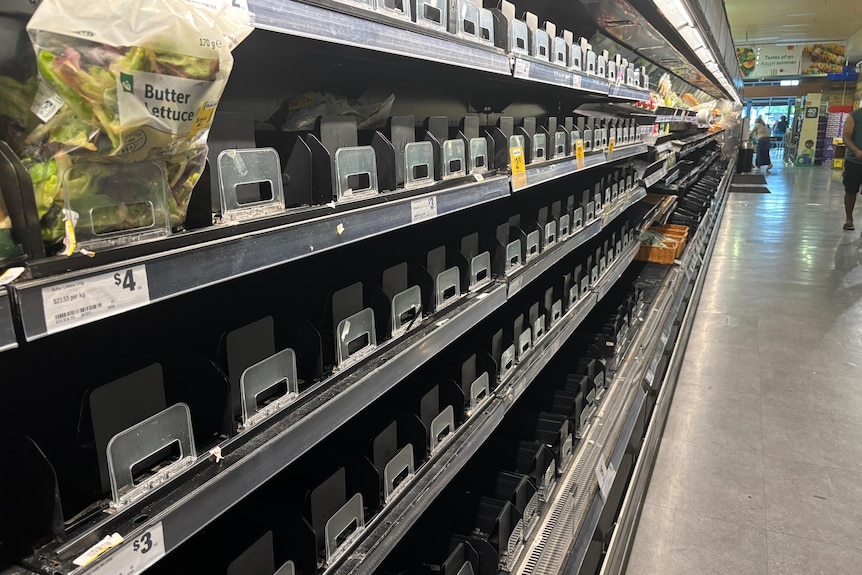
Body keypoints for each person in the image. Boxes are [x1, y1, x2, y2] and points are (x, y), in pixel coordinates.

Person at [842, 107, 862, 230]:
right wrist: (856, 151)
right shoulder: (854, 116)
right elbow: (846, 137)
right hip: (854, 161)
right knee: (850, 190)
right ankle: (849, 219)